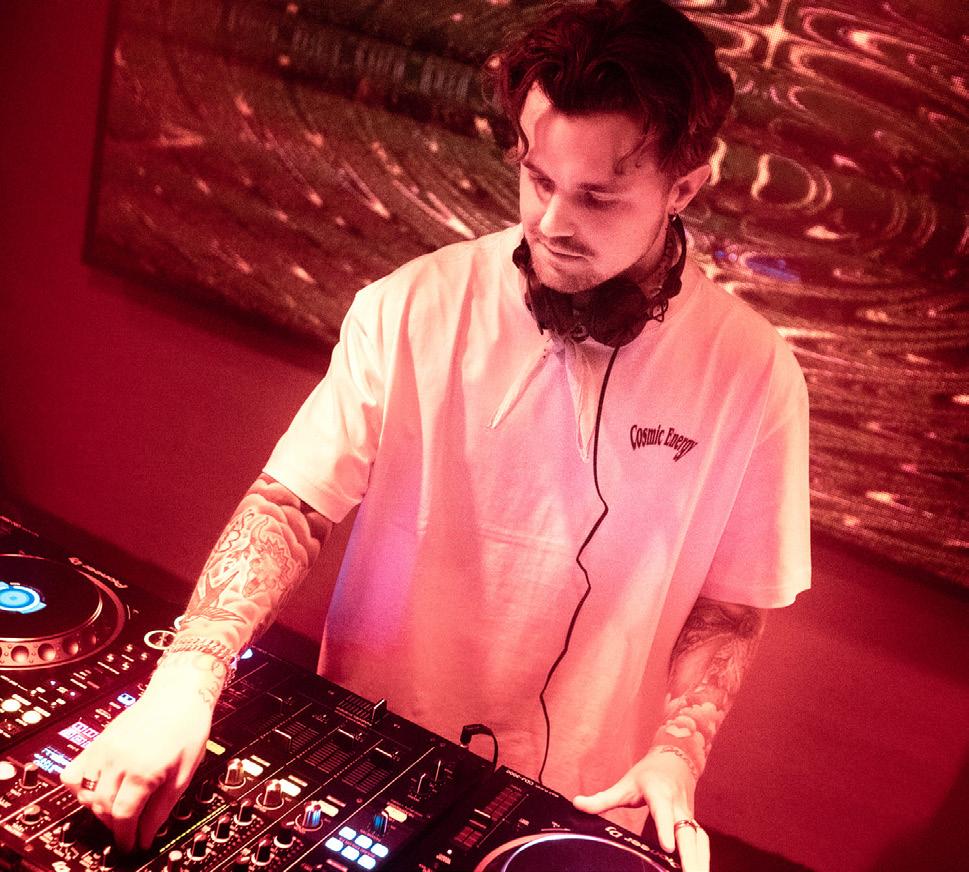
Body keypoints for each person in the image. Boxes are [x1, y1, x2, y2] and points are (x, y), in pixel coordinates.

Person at [61, 2, 811, 871]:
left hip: (579, 810)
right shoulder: (409, 305)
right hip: (363, 763)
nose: (550, 222)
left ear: (683, 187)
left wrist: (679, 749)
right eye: (537, 178)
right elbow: (291, 505)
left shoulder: (754, 374)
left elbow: (731, 605)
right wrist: (186, 680)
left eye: (597, 196)